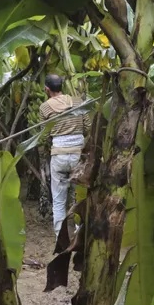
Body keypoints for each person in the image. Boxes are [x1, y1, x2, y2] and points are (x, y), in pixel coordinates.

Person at [39, 74, 92, 236]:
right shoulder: (77, 102)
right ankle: (79, 235)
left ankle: (60, 239)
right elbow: (88, 127)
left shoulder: (45, 107)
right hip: (78, 156)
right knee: (79, 198)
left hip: (59, 156)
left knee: (59, 201)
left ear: (47, 89)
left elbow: (44, 135)